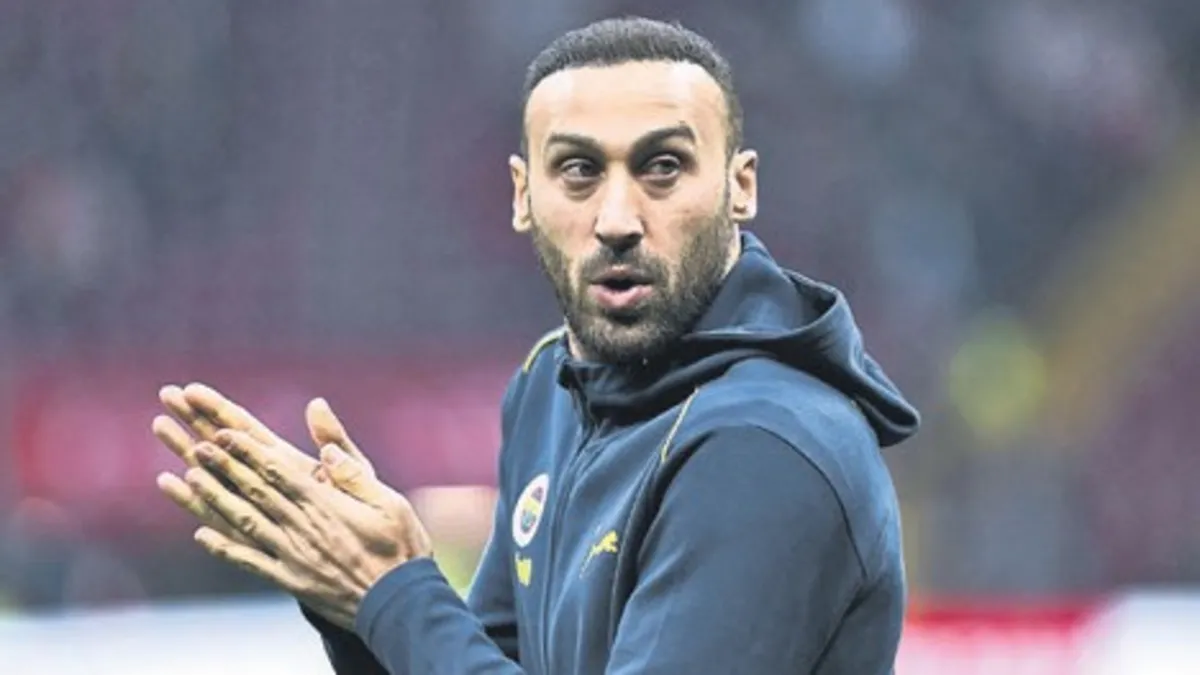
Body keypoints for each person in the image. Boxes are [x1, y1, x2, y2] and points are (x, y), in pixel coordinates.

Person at [152, 16, 920, 674]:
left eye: (662, 167)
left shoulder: (764, 449)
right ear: (522, 195)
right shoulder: (552, 383)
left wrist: (394, 593)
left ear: (739, 186)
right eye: (579, 170)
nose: (617, 218)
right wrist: (352, 597)